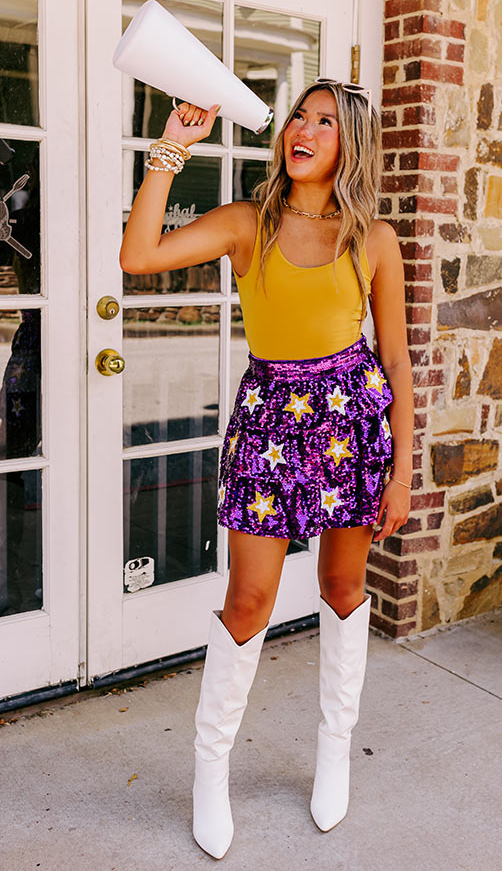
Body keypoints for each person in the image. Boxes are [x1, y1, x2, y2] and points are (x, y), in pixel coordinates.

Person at [120, 80, 414, 860]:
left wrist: (404, 465)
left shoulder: (373, 238)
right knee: (248, 601)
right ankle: (209, 771)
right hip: (269, 425)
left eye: (324, 121)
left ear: (350, 143)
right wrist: (172, 148)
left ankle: (333, 749)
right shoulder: (249, 223)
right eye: (298, 115)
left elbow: (395, 358)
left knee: (343, 591)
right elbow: (138, 254)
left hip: (355, 425)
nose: (303, 129)